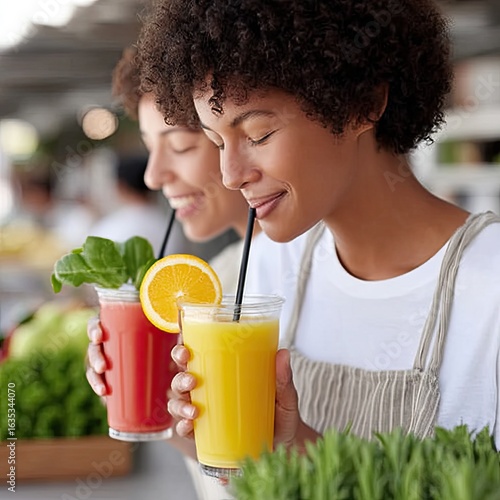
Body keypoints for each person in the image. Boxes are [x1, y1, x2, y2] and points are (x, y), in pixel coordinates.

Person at [137, 0, 500, 452]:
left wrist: (300, 447)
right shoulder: (269, 269)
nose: (230, 175)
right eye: (216, 142)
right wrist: (181, 417)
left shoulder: (490, 289)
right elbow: (243, 469)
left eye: (258, 135)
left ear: (361, 104)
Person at [85, 46, 273, 500]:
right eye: (150, 149)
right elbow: (237, 476)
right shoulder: (217, 279)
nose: (153, 175)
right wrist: (159, 412)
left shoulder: (305, 268)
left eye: (182, 146)